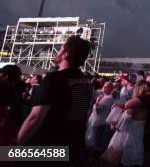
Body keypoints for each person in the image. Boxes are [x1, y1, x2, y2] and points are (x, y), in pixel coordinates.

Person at [17, 35, 93, 166]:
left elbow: (35, 117)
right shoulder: (86, 81)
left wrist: (17, 144)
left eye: (60, 48)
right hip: (73, 146)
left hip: (48, 147)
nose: (57, 51)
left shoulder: (54, 79)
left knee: (4, 154)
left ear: (65, 54)